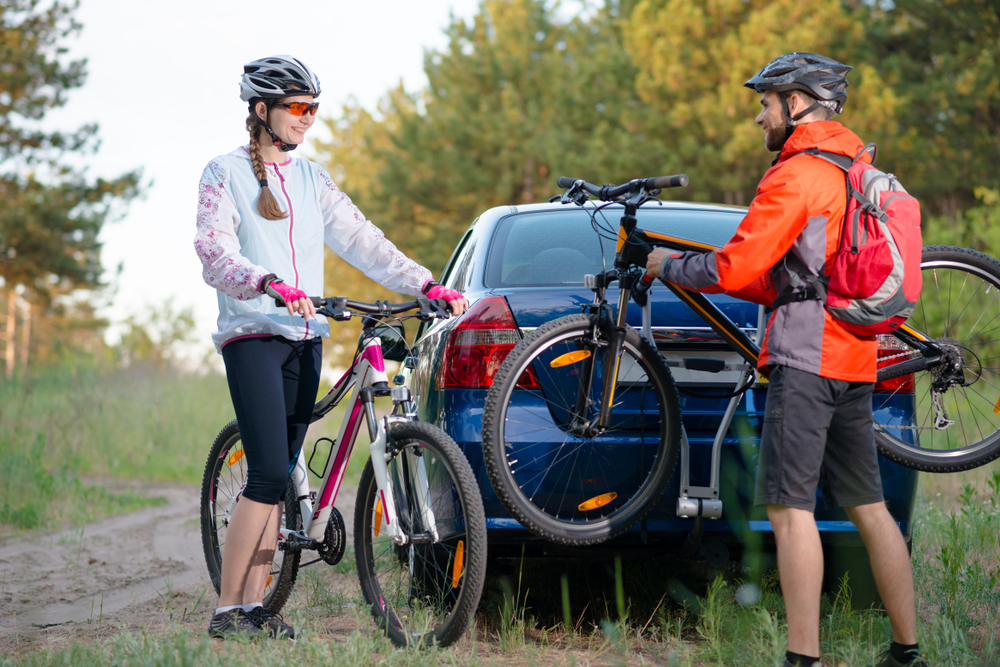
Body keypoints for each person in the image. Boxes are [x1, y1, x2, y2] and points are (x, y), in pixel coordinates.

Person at [646, 53, 924, 667]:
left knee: (790, 510)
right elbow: (785, 276)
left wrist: (673, 268)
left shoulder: (795, 175)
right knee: (870, 508)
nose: (757, 115)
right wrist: (721, 276)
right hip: (855, 358)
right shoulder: (853, 164)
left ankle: (803, 659)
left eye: (766, 102)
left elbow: (738, 264)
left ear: (797, 102)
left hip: (806, 359)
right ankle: (908, 652)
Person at [194, 55, 467, 640]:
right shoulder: (223, 174)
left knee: (282, 472)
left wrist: (426, 283)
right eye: (297, 108)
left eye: (313, 108)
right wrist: (268, 283)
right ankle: (226, 611)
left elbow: (365, 241)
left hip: (306, 337)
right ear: (261, 110)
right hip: (254, 335)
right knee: (267, 473)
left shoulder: (313, 178)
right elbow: (213, 253)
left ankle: (255, 608)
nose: (307, 118)